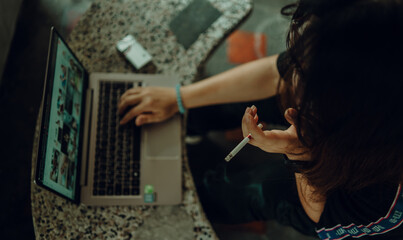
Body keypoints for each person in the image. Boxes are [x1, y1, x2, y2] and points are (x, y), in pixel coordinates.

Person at [118, 0, 403, 239]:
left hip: (333, 197)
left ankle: (203, 200)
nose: (290, 80)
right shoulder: (362, 41)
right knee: (242, 99)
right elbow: (275, 74)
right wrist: (180, 98)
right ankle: (190, 125)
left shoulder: (384, 199)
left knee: (260, 188)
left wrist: (298, 152)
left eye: (305, 81)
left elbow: (323, 211)